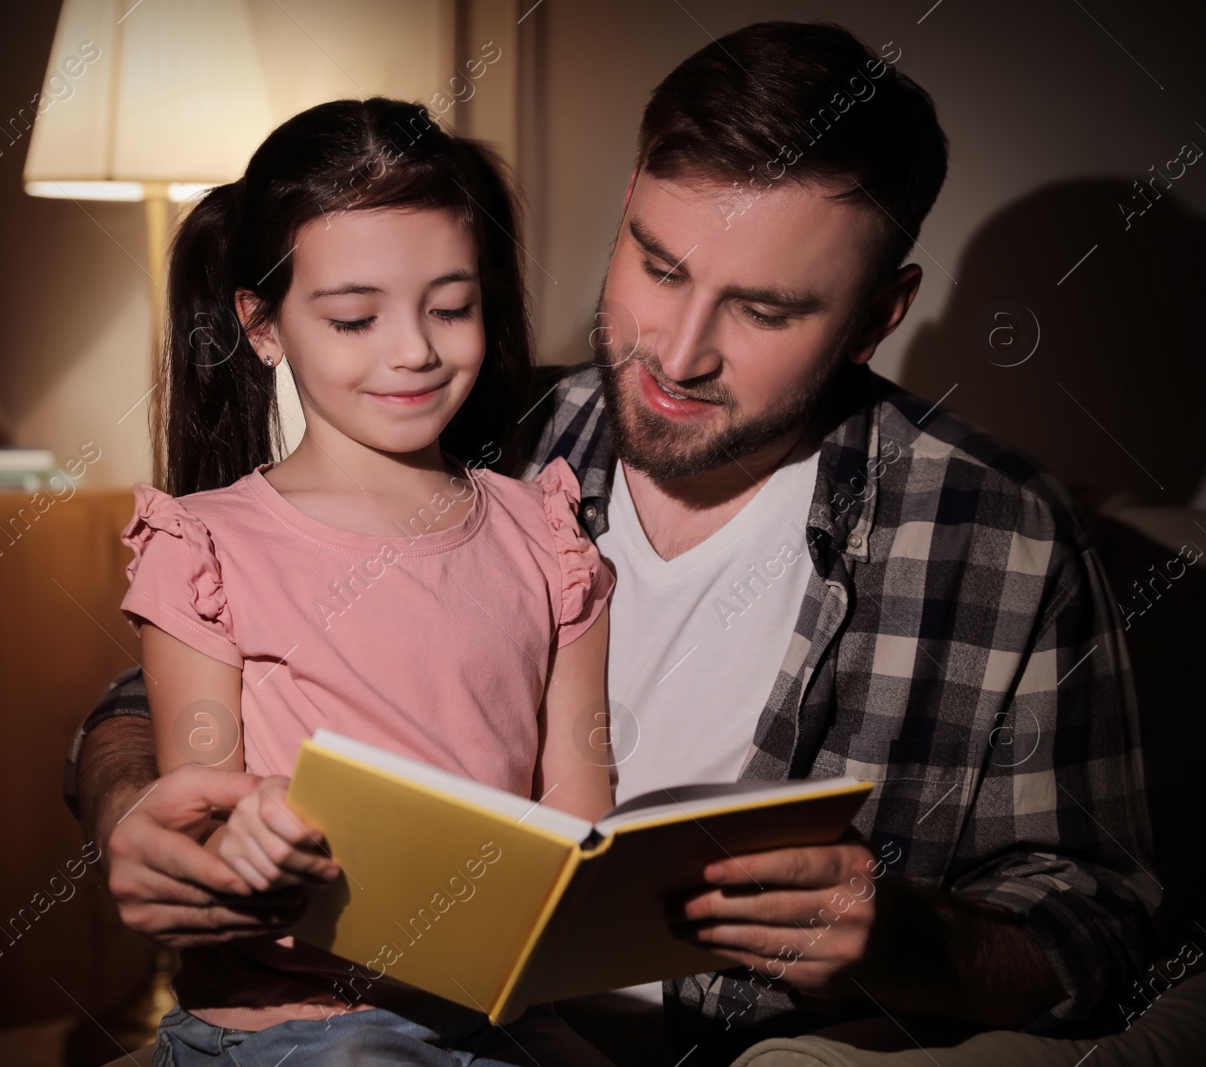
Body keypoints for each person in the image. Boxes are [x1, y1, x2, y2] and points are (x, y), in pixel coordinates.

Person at [68, 22, 1158, 1066]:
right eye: (659, 265)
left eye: (766, 311)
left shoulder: (1000, 537)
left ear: (877, 315)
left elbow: (1100, 922)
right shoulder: (494, 432)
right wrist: (141, 813)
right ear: (626, 208)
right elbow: (164, 689)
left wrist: (905, 938)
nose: (678, 355)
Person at [112, 95, 617, 1066]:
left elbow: (579, 800)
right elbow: (198, 811)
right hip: (299, 1024)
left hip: (499, 1012)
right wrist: (244, 835)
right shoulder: (203, 548)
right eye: (354, 317)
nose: (414, 350)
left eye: (451, 306)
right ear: (262, 328)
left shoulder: (547, 535)